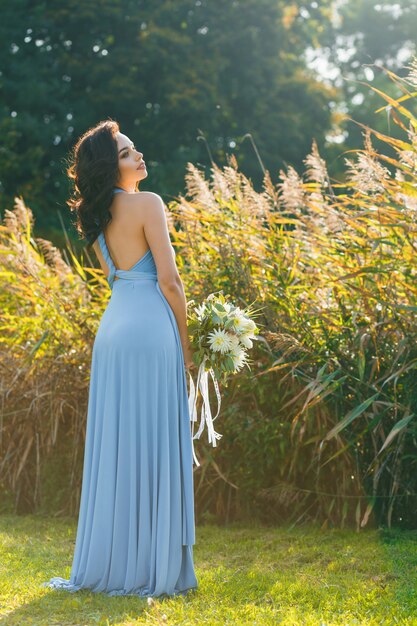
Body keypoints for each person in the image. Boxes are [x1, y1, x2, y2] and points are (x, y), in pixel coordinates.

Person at [42, 119, 198, 598]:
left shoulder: (96, 217)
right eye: (129, 153)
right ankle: (153, 564)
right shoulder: (148, 203)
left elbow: (119, 278)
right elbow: (169, 282)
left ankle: (113, 561)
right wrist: (189, 345)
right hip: (151, 328)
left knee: (120, 443)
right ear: (113, 166)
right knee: (151, 440)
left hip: (113, 331)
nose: (139, 156)